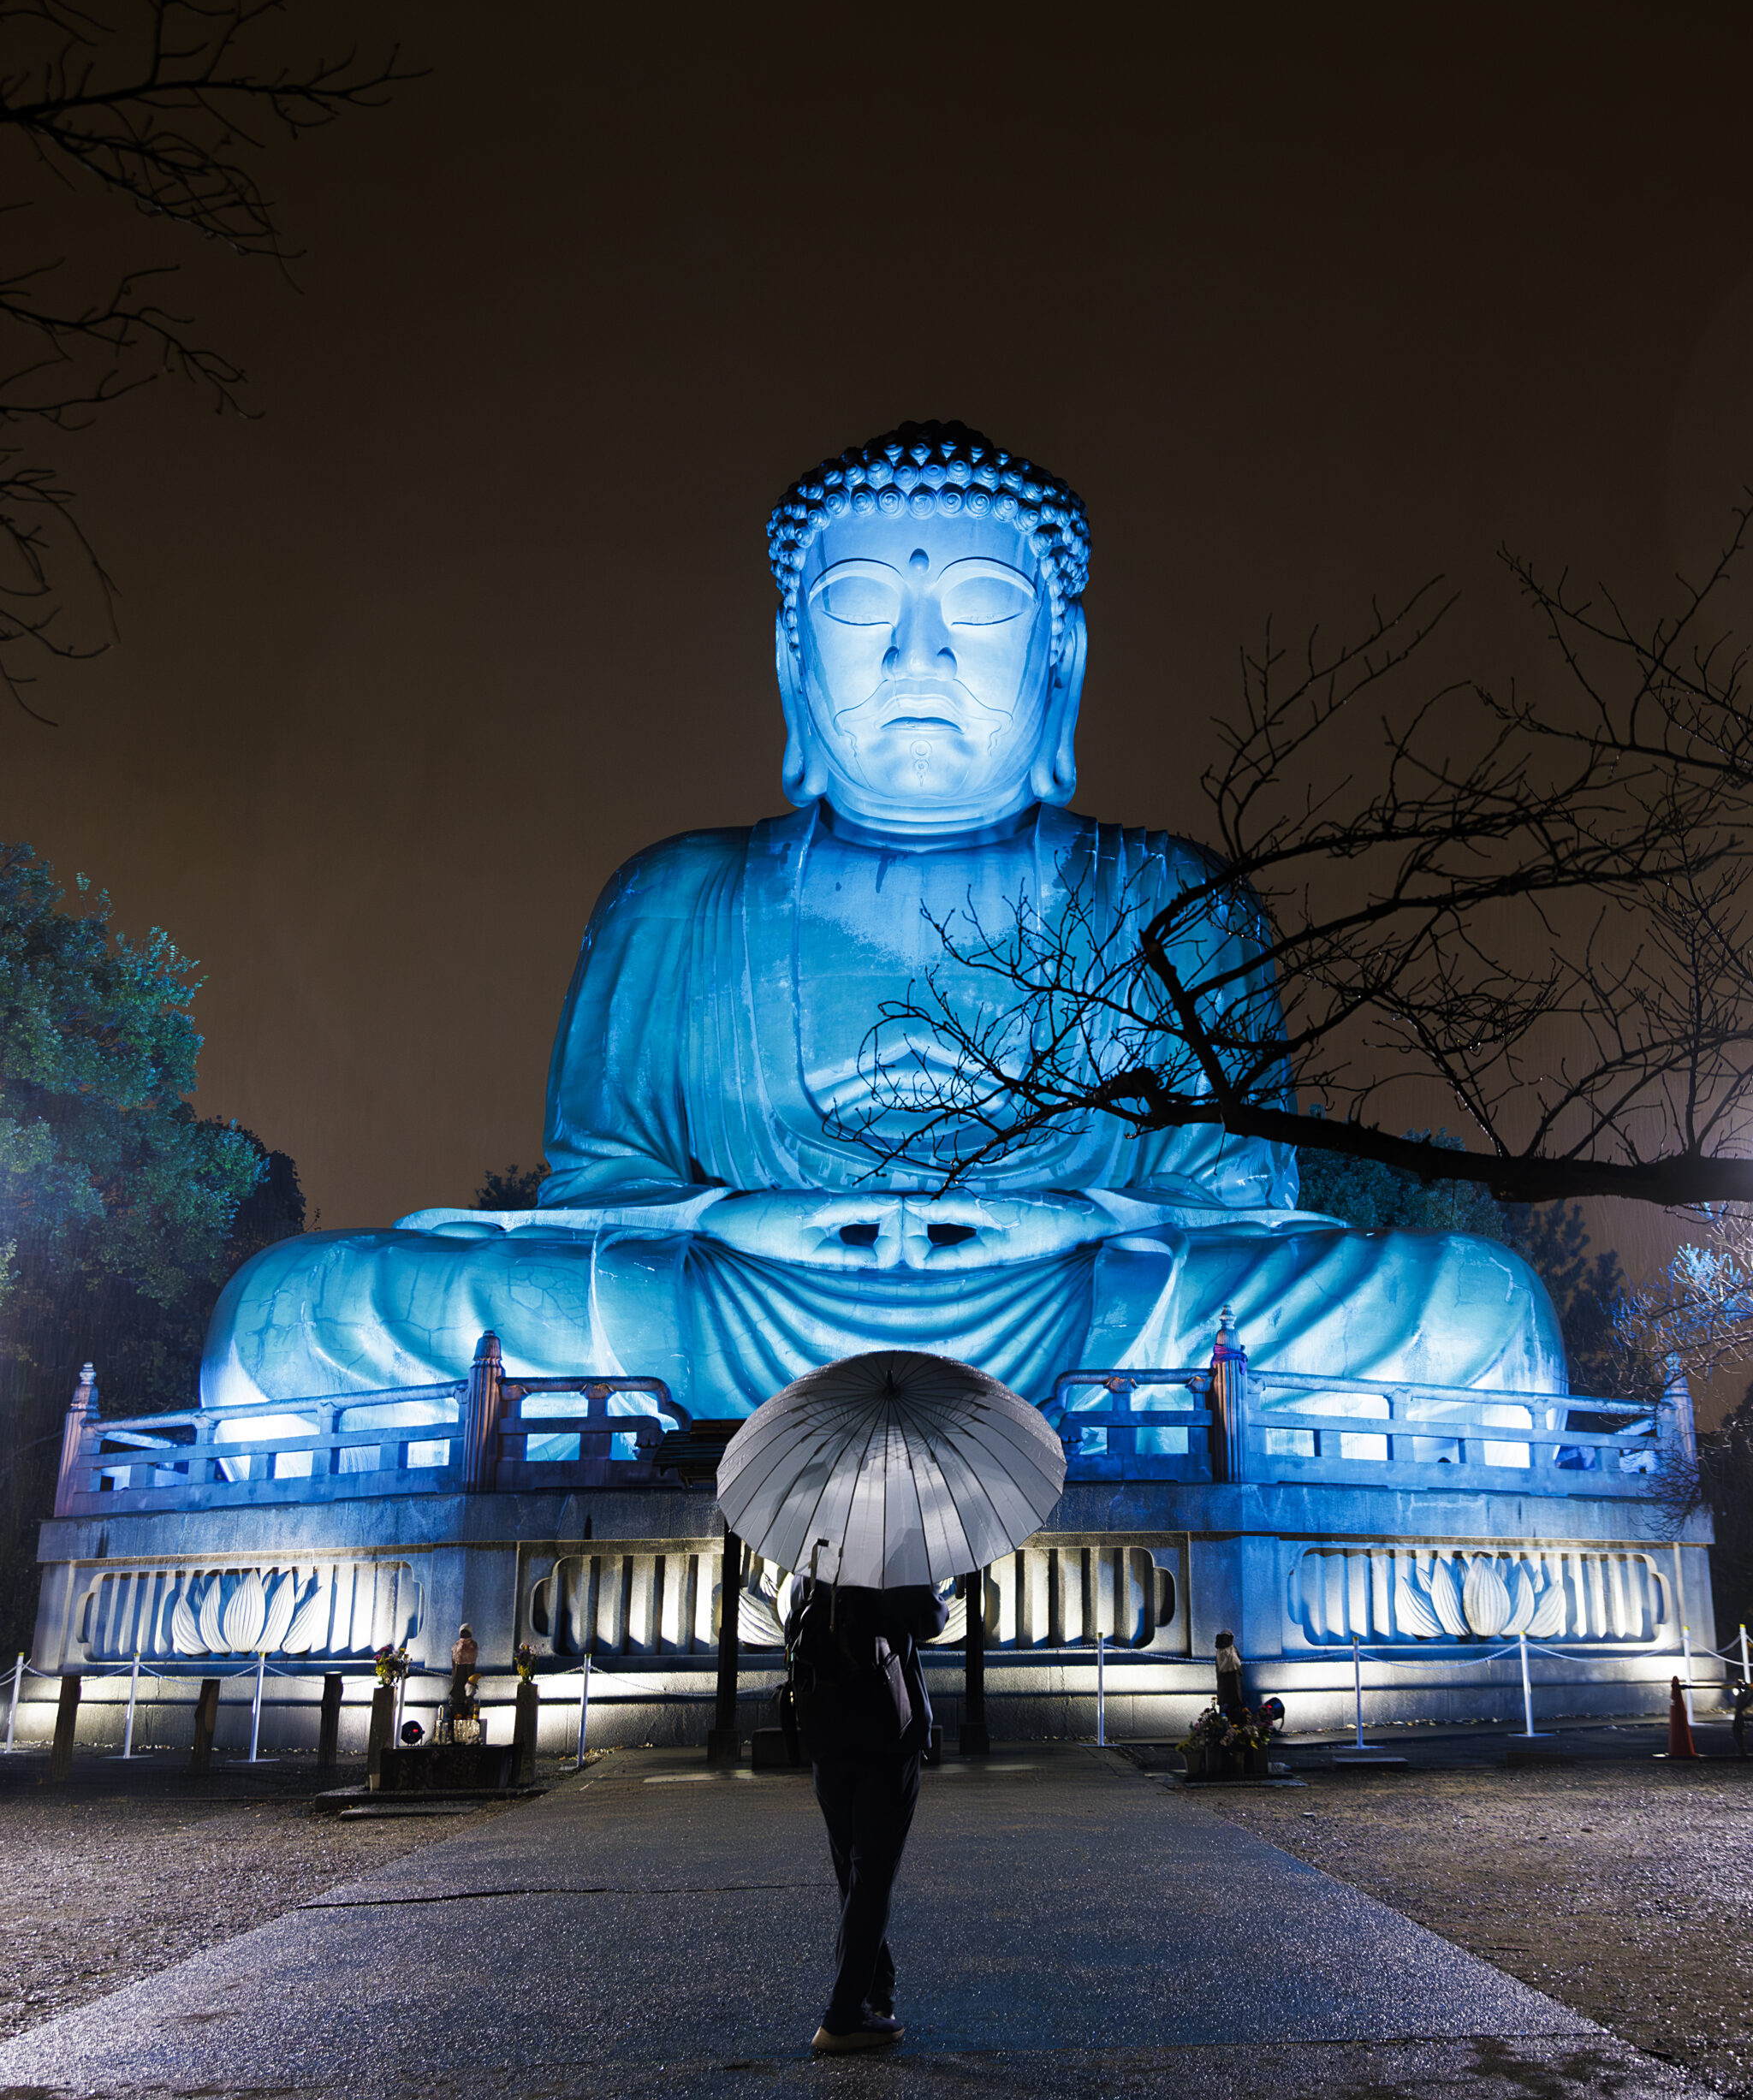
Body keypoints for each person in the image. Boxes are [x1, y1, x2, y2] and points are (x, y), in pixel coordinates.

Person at [197, 423, 1565, 1439]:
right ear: (794, 656)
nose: (920, 657)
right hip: (729, 1320)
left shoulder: (1164, 903)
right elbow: (599, 1200)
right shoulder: (679, 897)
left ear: (1061, 658)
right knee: (298, 1309)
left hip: (1086, 1310)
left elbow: (1241, 1205)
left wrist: (1048, 1228)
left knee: (1475, 1307)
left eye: (978, 608)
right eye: (864, 611)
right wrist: (757, 1230)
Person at [785, 1578, 947, 2054]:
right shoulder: (893, 1560)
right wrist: (935, 1585)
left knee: (851, 1868)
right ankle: (842, 2017)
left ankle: (875, 1988)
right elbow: (932, 1620)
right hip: (885, 1736)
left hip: (826, 1734)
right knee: (872, 1874)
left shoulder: (811, 1558)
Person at [1214, 1629, 1245, 1722]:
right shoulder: (1221, 1651)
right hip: (1225, 1679)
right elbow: (1221, 1667)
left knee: (1235, 1702)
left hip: (1234, 1678)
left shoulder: (1233, 1649)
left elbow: (1238, 1663)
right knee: (1226, 1701)